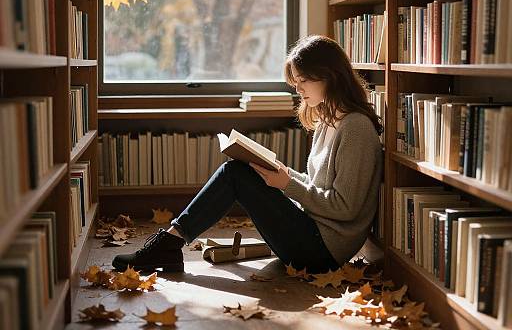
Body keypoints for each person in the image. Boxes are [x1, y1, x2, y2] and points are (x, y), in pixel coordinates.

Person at [112, 35, 384, 274]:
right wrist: (285, 174)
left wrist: (287, 184)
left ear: (330, 76)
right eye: (295, 82)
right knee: (241, 169)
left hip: (323, 251)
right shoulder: (330, 119)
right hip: (311, 231)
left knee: (235, 174)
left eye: (302, 81)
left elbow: (346, 208)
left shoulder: (356, 127)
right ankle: (169, 244)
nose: (297, 89)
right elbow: (318, 185)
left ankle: (167, 245)